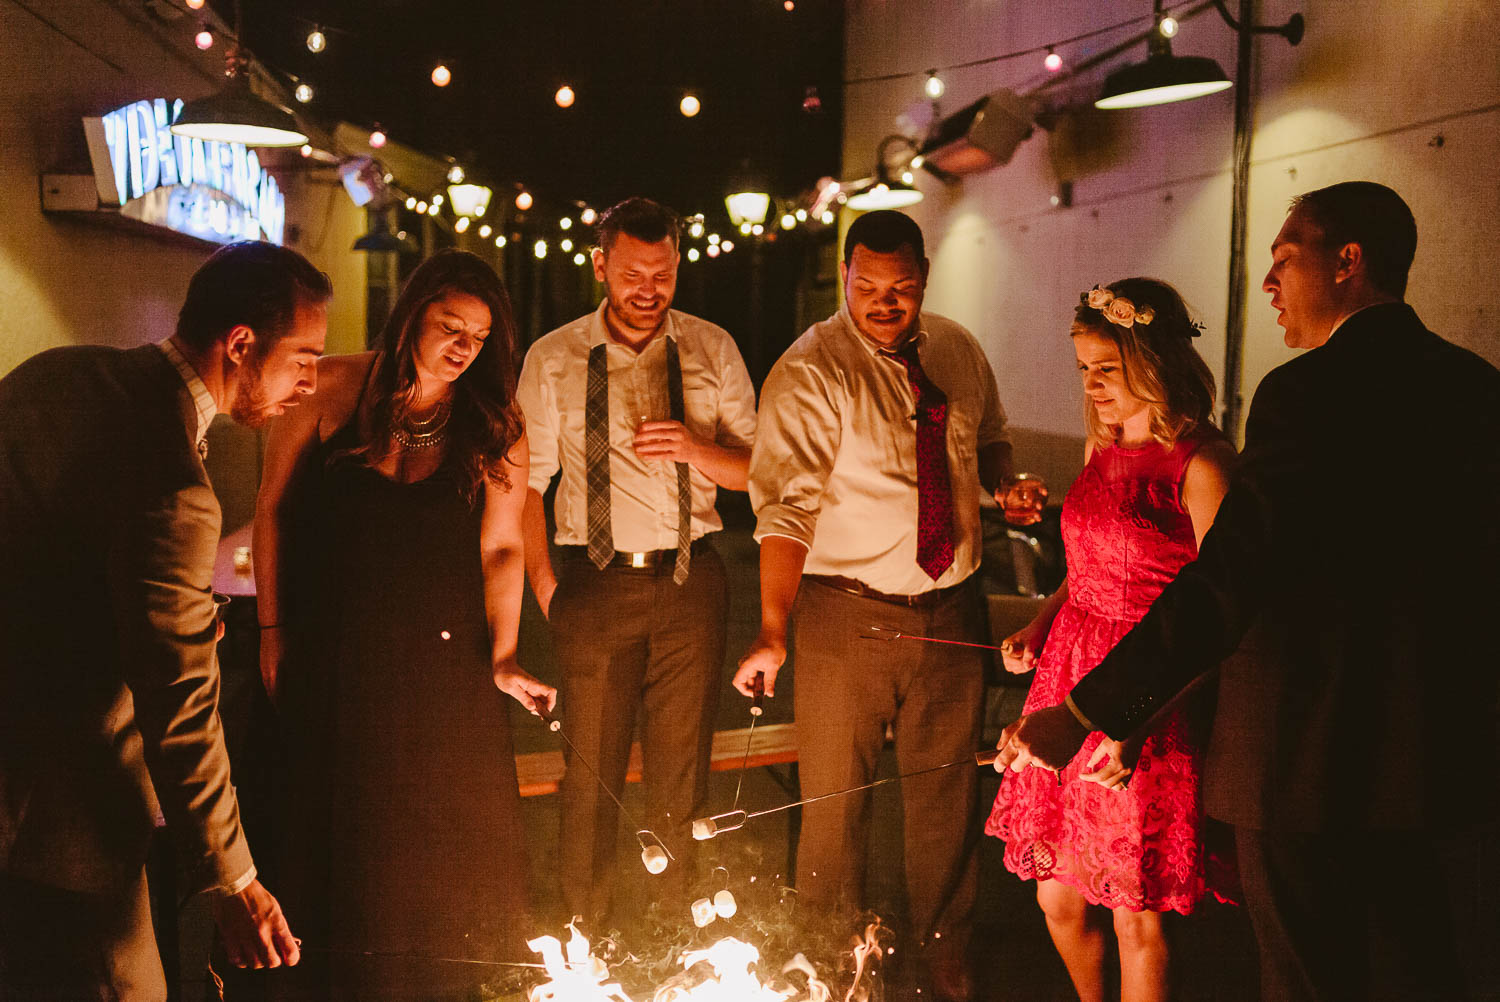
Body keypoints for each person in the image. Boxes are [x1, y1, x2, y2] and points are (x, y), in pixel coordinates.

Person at [994, 181, 1500, 1001]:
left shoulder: (1302, 395)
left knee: (1311, 976)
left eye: (1284, 259)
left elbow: (1228, 581)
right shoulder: (1478, 388)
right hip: (1440, 753)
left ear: (1349, 262)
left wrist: (1091, 712)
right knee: (1424, 967)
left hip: (1305, 755)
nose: (1268, 284)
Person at [0, 241, 323, 999]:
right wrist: (234, 878)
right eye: (303, 356)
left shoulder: (60, 374)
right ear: (241, 344)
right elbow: (181, 704)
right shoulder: (177, 488)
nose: (310, 382)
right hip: (56, 819)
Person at [736, 209, 1044, 1002]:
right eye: (867, 288)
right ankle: (822, 959)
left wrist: (1004, 484)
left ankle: (943, 955)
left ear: (924, 280)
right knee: (836, 803)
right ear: (844, 278)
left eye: (900, 289)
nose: (884, 303)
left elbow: (991, 438)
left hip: (952, 608)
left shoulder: (957, 349)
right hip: (848, 611)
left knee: (945, 796)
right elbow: (785, 512)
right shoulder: (811, 370)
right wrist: (773, 630)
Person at [255, 249, 554, 999]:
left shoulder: (493, 422)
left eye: (479, 337)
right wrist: (273, 630)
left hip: (442, 673)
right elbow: (274, 511)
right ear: (411, 314)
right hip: (340, 656)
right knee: (342, 842)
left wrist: (507, 655)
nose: (463, 347)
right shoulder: (326, 388)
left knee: (434, 862)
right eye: (450, 325)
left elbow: (504, 545)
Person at [985, 278, 1237, 1002]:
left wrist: (1138, 722)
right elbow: (1090, 559)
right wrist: (1043, 619)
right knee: (1059, 897)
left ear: (1152, 360)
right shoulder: (1107, 442)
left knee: (1136, 917)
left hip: (1149, 690)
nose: (1092, 385)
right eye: (1083, 369)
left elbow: (1218, 612)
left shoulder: (1203, 462)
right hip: (1066, 675)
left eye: (1107, 368)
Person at [517, 196, 757, 924]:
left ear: (678, 266)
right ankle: (584, 933)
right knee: (589, 773)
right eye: (631, 274)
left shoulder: (712, 348)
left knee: (683, 776)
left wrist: (694, 447)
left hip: (692, 580)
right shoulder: (554, 357)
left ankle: (677, 936)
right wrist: (546, 588)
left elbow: (758, 470)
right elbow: (526, 483)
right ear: (599, 267)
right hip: (592, 582)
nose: (647, 290)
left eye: (662, 273)